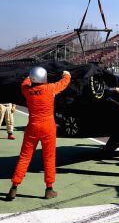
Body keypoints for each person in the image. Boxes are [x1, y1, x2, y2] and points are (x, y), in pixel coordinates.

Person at [6, 67, 71, 201]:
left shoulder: (27, 91)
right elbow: (64, 82)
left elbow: (24, 83)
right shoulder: (50, 88)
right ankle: (49, 188)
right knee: (49, 157)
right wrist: (66, 74)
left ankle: (14, 186)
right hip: (48, 127)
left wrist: (28, 76)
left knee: (24, 157)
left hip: (32, 127)